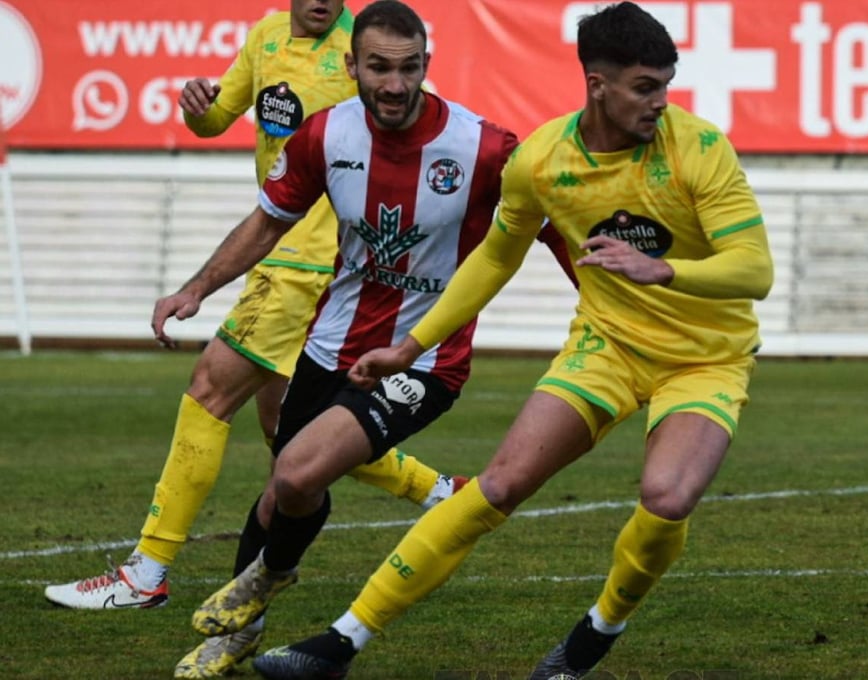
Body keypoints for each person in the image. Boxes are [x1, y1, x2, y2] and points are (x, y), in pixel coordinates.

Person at [234, 3, 775, 679]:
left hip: (706, 359)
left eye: (665, 85)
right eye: (644, 87)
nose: (660, 102)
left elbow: (755, 270)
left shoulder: (699, 147)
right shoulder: (542, 160)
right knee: (497, 486)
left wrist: (663, 269)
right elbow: (494, 258)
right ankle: (341, 643)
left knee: (666, 497)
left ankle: (591, 637)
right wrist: (410, 347)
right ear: (597, 84)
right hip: (607, 348)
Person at [169, 1, 575, 678]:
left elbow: (556, 224)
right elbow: (268, 222)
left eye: (409, 68)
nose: (394, 84)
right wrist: (196, 288)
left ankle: (267, 578)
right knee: (283, 493)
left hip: (425, 360)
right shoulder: (325, 135)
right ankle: (241, 633)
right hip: (332, 344)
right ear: (352, 65)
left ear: (427, 65)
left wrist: (612, 306)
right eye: (379, 68)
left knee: (298, 472)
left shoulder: (483, 147)